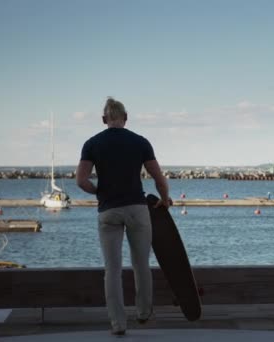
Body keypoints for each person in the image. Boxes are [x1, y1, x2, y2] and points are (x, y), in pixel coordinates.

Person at [76, 97, 171, 335]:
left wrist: (99, 191)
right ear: (125, 118)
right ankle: (143, 312)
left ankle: (118, 324)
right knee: (141, 264)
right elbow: (158, 178)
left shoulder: (92, 143)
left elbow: (81, 180)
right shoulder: (140, 142)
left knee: (113, 270)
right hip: (137, 209)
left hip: (108, 211)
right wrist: (165, 199)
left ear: (104, 119)